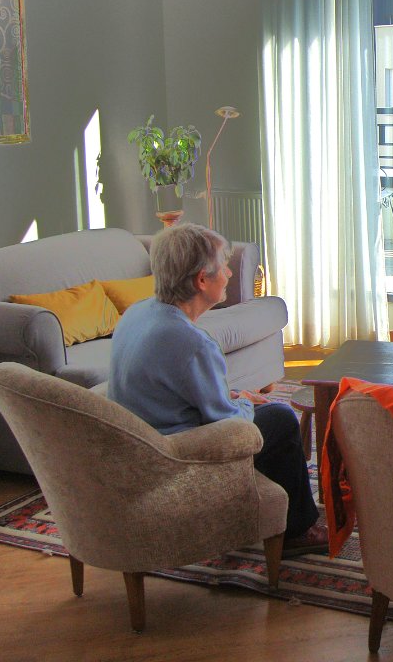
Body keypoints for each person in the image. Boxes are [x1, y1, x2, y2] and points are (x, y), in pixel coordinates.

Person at [108, 223, 327, 556]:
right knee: (280, 419)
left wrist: (236, 399)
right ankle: (296, 531)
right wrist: (246, 404)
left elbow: (181, 391)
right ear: (201, 280)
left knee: (255, 407)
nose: (228, 273)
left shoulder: (137, 313)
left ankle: (265, 509)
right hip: (175, 456)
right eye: (224, 266)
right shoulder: (193, 343)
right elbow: (229, 423)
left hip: (139, 444)